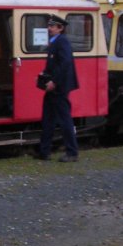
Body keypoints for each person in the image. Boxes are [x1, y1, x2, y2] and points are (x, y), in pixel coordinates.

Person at [36, 14, 80, 162]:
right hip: (53, 87)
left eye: (52, 26)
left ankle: (72, 152)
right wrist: (44, 74)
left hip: (59, 88)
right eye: (49, 26)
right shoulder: (55, 42)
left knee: (64, 119)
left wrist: (54, 81)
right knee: (48, 119)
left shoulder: (62, 42)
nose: (49, 29)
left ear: (60, 28)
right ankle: (44, 151)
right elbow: (54, 64)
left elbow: (65, 64)